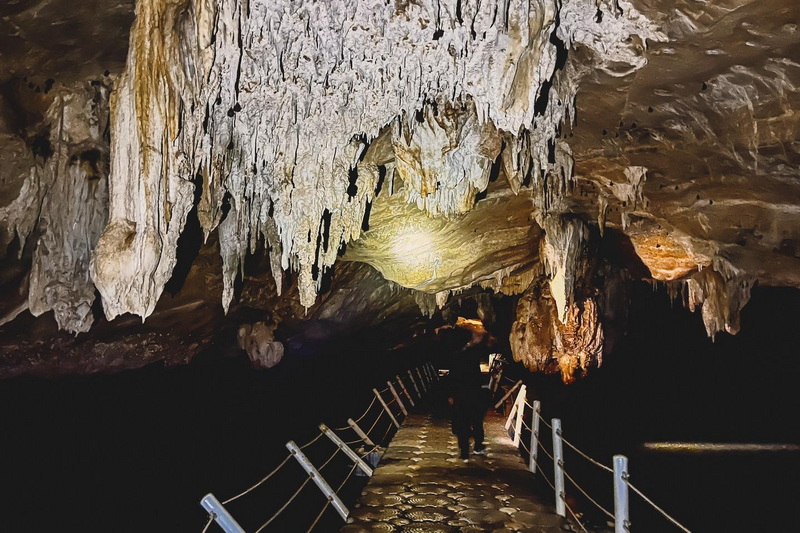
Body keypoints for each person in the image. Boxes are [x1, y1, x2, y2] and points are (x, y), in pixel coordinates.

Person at [447, 329, 489, 461]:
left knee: (463, 422)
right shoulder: (473, 354)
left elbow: (452, 376)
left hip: (460, 394)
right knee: (476, 421)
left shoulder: (455, 355)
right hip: (473, 392)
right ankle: (477, 446)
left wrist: (451, 394)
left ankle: (464, 451)